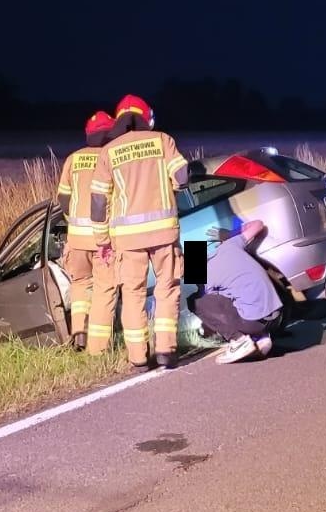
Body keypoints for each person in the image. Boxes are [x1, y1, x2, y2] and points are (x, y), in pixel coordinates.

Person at [88, 94, 189, 368]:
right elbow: (183, 178)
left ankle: (138, 357)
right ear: (146, 117)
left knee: (132, 294)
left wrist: (102, 241)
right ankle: (166, 351)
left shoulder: (110, 151)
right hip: (164, 235)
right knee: (167, 289)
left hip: (127, 240)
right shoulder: (162, 140)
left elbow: (98, 201)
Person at [53, 111, 115, 349]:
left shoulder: (73, 159)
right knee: (103, 289)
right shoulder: (110, 156)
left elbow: (63, 198)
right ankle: (98, 346)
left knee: (80, 287)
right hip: (103, 239)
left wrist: (74, 220)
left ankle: (80, 332)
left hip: (76, 239)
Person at [190, 218, 284, 364]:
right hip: (278, 316)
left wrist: (209, 327)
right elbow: (259, 224)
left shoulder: (207, 278)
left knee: (196, 302)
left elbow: (215, 312)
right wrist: (230, 234)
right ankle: (261, 337)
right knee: (236, 292)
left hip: (254, 323)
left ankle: (239, 341)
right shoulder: (231, 245)